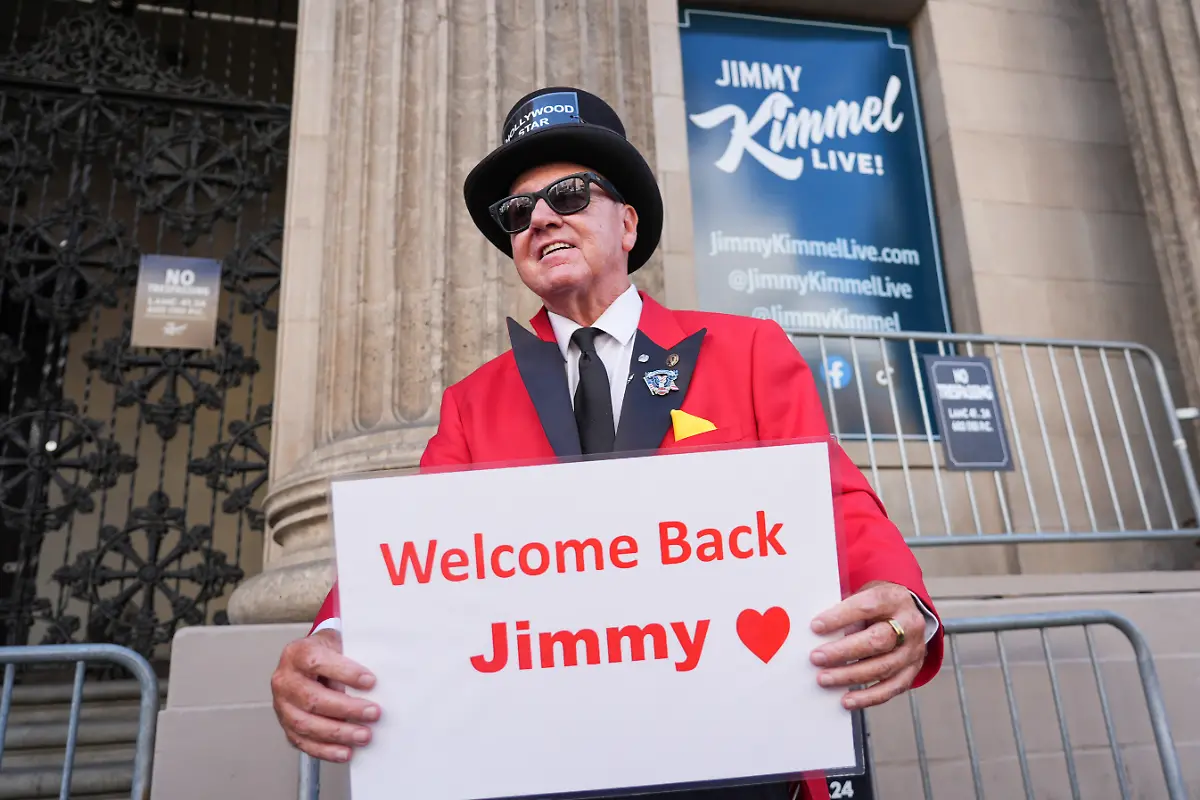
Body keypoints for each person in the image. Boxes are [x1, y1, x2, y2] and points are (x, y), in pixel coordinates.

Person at [270, 86, 943, 800]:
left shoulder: (746, 351)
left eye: (566, 192)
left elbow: (833, 499)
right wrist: (335, 637)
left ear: (626, 223)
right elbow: (413, 560)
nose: (540, 218)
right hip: (551, 765)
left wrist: (898, 596)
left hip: (738, 754)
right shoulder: (472, 405)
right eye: (518, 210)